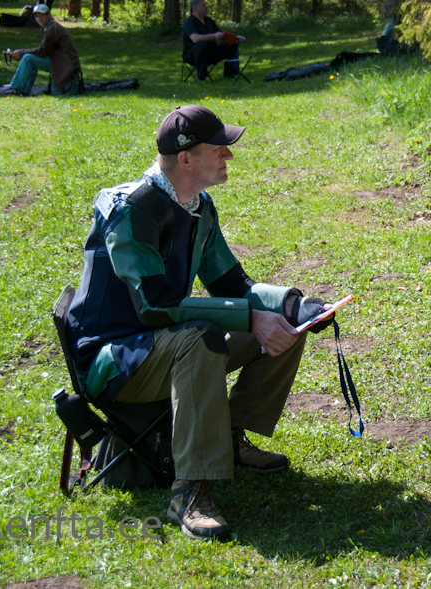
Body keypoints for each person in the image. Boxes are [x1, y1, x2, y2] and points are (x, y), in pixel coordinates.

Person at [65, 105, 335, 541]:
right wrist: (250, 317)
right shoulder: (130, 211)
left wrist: (293, 305)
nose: (229, 155)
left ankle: (230, 438)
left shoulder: (198, 207)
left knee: (282, 324)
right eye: (219, 149)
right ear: (186, 159)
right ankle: (189, 492)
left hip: (161, 344)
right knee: (201, 338)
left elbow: (232, 283)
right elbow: (155, 306)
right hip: (113, 363)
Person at [0, 4, 81, 95]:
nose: (39, 19)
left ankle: (15, 88)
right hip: (59, 62)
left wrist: (21, 53)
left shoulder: (53, 29)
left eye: (42, 16)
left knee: (28, 58)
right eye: (37, 16)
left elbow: (42, 51)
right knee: (30, 59)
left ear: (49, 15)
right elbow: (43, 51)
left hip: (64, 64)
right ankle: (24, 90)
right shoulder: (51, 27)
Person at [182, 0, 245, 80]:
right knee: (202, 45)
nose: (206, 7)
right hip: (193, 55)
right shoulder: (189, 22)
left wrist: (235, 38)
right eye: (203, 5)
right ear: (196, 8)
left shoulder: (209, 21)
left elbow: (221, 35)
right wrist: (214, 36)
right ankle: (202, 77)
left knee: (231, 45)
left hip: (211, 52)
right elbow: (195, 38)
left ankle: (230, 74)